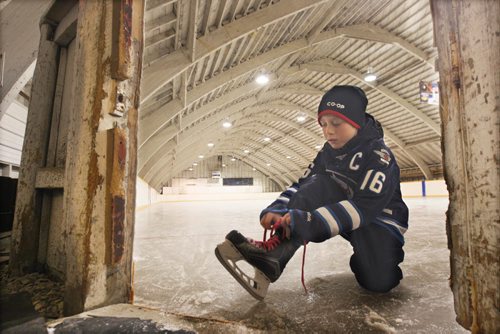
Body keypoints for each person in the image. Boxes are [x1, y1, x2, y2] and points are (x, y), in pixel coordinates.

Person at [215, 85, 409, 300]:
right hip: (344, 216)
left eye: (336, 123)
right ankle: (274, 258)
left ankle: (375, 258)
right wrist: (280, 208)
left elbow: (366, 207)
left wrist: (311, 221)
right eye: (323, 124)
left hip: (380, 222)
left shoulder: (379, 155)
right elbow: (303, 184)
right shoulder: (328, 152)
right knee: (319, 183)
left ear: (357, 122)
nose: (328, 131)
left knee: (377, 282)